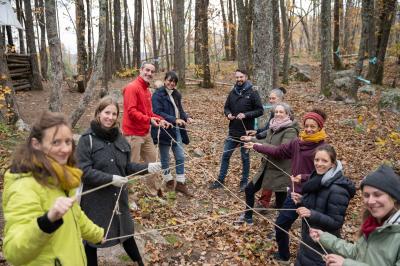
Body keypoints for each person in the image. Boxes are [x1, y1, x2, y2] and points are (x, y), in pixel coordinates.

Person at [2, 111, 104, 265]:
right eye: (56, 142)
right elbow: (13, 253)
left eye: (68, 142)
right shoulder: (24, 185)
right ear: (36, 144)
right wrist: (47, 221)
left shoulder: (61, 176)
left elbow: (75, 215)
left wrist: (97, 235)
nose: (65, 149)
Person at [76, 96, 161, 266]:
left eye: (114, 114)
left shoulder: (120, 138)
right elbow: (83, 172)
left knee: (126, 233)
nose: (110, 117)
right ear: (99, 113)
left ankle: (139, 263)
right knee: (91, 240)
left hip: (118, 199)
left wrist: (147, 167)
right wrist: (110, 179)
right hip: (95, 201)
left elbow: (126, 167)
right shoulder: (87, 139)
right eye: (107, 112)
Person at [244, 108, 328, 264]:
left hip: (313, 196)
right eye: (307, 126)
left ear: (320, 128)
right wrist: (255, 145)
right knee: (281, 225)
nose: (309, 129)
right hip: (294, 194)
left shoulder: (323, 148)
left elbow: (326, 176)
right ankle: (284, 256)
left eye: (313, 127)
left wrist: (303, 177)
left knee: (310, 233)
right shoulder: (297, 143)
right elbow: (278, 151)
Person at [309, 165, 400, 266]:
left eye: (377, 195)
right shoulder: (372, 225)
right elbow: (357, 252)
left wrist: (346, 263)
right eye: (366, 195)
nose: (370, 201)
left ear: (394, 197)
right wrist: (324, 237)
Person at [234, 102, 299, 225]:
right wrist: (252, 139)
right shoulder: (273, 126)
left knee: (281, 202)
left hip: (280, 171)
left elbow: (281, 151)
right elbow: (266, 141)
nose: (278, 114)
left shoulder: (291, 131)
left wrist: (256, 145)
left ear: (288, 114)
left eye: (281, 112)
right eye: (276, 112)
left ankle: (280, 228)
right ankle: (248, 217)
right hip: (266, 167)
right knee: (249, 189)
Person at [293, 144, 355, 265]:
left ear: (332, 164)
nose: (319, 164)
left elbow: (336, 222)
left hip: (323, 245)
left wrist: (312, 214)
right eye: (316, 160)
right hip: (308, 239)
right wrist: (301, 201)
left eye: (324, 161)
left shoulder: (338, 189)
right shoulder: (316, 178)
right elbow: (314, 204)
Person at [209, 69, 264, 192]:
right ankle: (220, 180)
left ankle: (244, 183)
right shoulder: (233, 92)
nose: (239, 79)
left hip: (246, 133)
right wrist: (228, 114)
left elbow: (260, 110)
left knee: (245, 158)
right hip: (233, 131)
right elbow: (226, 107)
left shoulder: (253, 92)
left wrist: (245, 115)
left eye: (241, 77)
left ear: (246, 77)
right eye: (237, 77)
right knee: (225, 155)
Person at [122, 61, 170, 196]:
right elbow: (131, 111)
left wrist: (161, 120)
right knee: (131, 167)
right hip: (132, 135)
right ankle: (128, 198)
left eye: (152, 71)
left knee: (153, 163)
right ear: (140, 70)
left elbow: (149, 113)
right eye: (147, 70)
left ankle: (152, 192)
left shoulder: (147, 90)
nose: (149, 73)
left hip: (145, 133)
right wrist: (149, 120)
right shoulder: (132, 87)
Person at [151, 71, 193, 196]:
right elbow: (158, 112)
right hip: (164, 129)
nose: (171, 83)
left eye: (174, 82)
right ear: (165, 80)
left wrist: (186, 117)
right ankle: (168, 179)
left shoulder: (176, 94)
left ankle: (180, 183)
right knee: (165, 157)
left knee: (180, 156)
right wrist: (174, 119)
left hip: (176, 130)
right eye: (169, 81)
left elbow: (180, 110)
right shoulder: (157, 95)